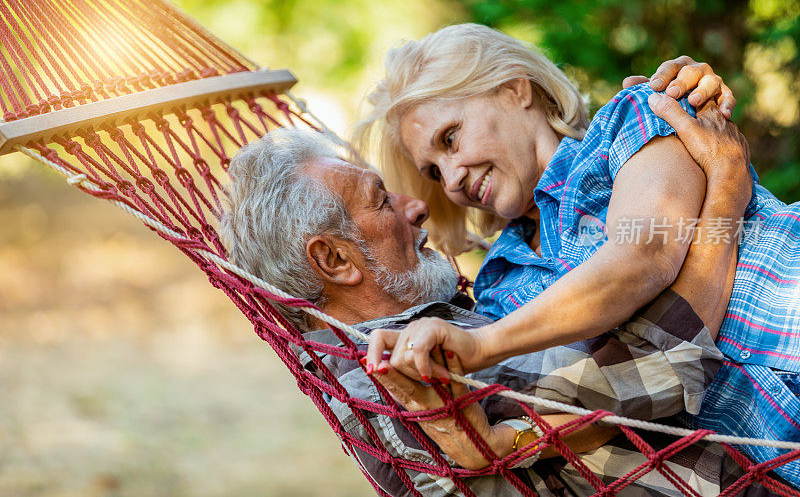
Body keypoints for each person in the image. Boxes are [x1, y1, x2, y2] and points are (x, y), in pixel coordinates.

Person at [218, 121, 767, 495]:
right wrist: (726, 192)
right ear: (336, 260)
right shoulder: (398, 376)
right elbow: (658, 366)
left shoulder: (417, 332)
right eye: (381, 200)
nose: (418, 208)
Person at [357, 24, 800, 486]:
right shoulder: (498, 290)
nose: (449, 180)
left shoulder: (633, 119)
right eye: (432, 169)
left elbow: (646, 251)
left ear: (514, 89)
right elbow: (598, 397)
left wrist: (482, 346)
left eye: (450, 139)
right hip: (778, 457)